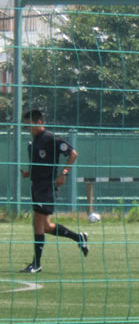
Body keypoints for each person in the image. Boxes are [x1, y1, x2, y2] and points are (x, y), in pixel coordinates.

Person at [18, 109, 88, 273]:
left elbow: (73, 154)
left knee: (37, 222)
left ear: (39, 122)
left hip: (47, 187)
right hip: (36, 186)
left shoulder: (50, 138)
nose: (28, 128)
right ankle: (78, 238)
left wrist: (64, 174)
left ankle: (36, 264)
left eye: (29, 125)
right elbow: (39, 163)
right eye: (26, 125)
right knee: (46, 226)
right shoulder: (33, 141)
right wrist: (29, 173)